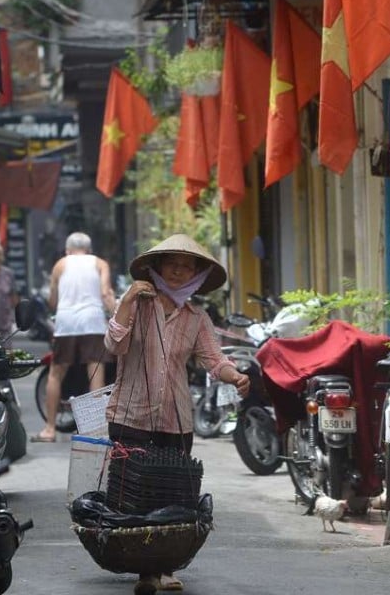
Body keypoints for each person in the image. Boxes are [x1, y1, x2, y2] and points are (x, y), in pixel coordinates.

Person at [104, 234, 250, 595]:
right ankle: (145, 571)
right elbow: (114, 345)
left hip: (176, 417)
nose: (180, 271)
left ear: (196, 275)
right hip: (130, 412)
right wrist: (125, 301)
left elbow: (213, 359)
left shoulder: (197, 317)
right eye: (173, 263)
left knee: (173, 494)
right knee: (136, 496)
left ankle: (166, 566)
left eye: (188, 266)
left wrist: (236, 376)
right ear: (158, 267)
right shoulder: (138, 305)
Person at [32, 232, 115, 443]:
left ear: (68, 250)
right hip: (93, 321)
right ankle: (95, 429)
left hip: (66, 322)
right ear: (89, 249)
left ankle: (49, 429)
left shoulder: (60, 264)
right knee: (95, 372)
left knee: (55, 374)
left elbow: (52, 300)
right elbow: (105, 293)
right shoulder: (100, 264)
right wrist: (116, 313)